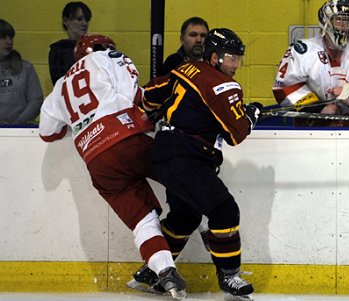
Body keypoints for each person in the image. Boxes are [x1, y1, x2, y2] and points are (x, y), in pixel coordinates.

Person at [39, 34, 187, 300]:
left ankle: (165, 271)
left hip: (96, 160)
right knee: (191, 178)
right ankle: (216, 243)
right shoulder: (109, 57)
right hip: (127, 139)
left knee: (143, 221)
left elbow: (47, 132)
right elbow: (138, 97)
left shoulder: (60, 85)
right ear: (100, 49)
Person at [131, 28, 262, 301]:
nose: (235, 65)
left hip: (166, 153)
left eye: (238, 59)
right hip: (186, 158)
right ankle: (229, 275)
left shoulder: (185, 69)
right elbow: (236, 134)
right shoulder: (224, 85)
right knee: (224, 210)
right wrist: (251, 115)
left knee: (185, 216)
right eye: (231, 59)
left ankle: (152, 273)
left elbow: (149, 96)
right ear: (215, 58)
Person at [272, 0, 349, 126]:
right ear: (325, 21)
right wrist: (319, 109)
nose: (344, 25)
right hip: (311, 126)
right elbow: (284, 86)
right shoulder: (302, 50)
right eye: (339, 20)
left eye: (347, 21)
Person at [0, 19, 43, 125]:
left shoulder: (26, 67)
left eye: (11, 37)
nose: (9, 42)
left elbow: (36, 100)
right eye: (3, 37)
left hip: (21, 131)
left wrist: (15, 126)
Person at [48, 2, 92, 85]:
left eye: (87, 20)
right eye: (79, 19)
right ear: (66, 21)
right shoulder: (58, 50)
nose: (84, 23)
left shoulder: (96, 47)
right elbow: (59, 83)